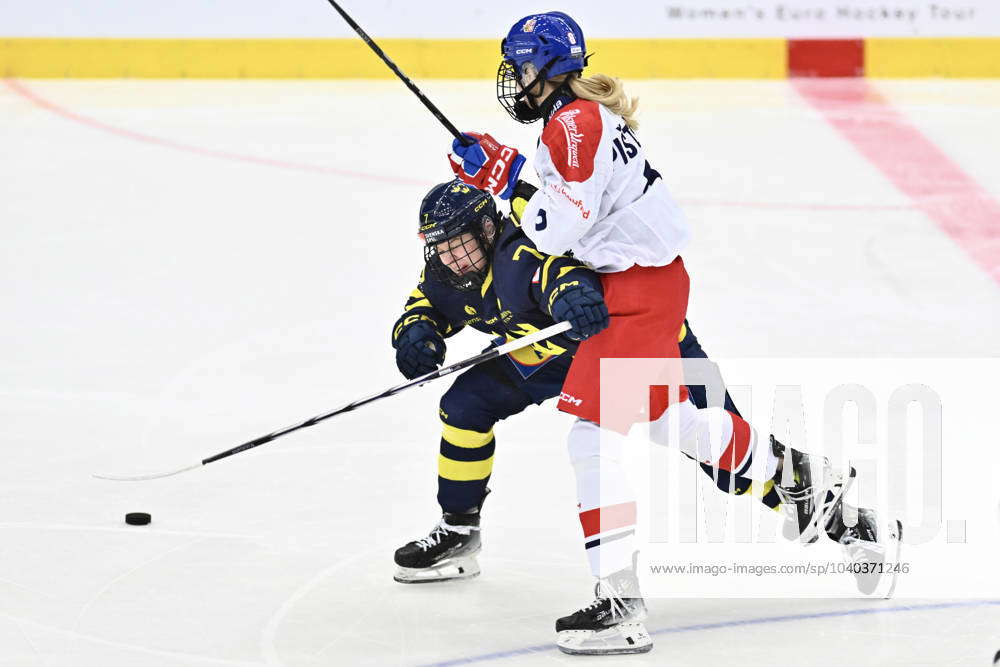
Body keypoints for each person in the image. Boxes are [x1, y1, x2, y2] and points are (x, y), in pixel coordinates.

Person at [445, 11, 883, 655]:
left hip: (638, 293)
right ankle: (802, 477)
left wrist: (503, 179)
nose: (517, 78)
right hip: (640, 287)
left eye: (524, 65)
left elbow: (555, 228)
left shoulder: (576, 123)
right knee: (676, 423)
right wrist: (512, 171)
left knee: (591, 437)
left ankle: (619, 603)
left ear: (549, 68)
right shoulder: (574, 123)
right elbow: (573, 207)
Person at [392, 181, 901, 645]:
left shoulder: (520, 253)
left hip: (649, 340)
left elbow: (557, 279)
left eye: (458, 244)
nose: (450, 259)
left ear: (486, 227)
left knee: (712, 451)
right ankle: (459, 529)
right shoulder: (447, 271)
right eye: (439, 247)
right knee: (465, 405)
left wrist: (571, 300)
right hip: (553, 358)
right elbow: (425, 303)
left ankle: (850, 523)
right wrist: (414, 332)